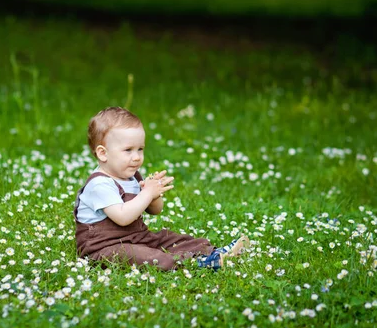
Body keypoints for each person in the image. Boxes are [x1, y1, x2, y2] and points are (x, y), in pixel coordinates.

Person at [74, 106, 248, 271]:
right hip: (103, 249)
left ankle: (214, 252)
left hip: (137, 237)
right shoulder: (99, 184)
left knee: (167, 238)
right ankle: (198, 264)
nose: (136, 157)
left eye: (140, 149)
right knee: (136, 255)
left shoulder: (132, 177)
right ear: (103, 153)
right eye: (128, 150)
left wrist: (154, 195)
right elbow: (123, 217)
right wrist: (147, 193)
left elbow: (155, 211)